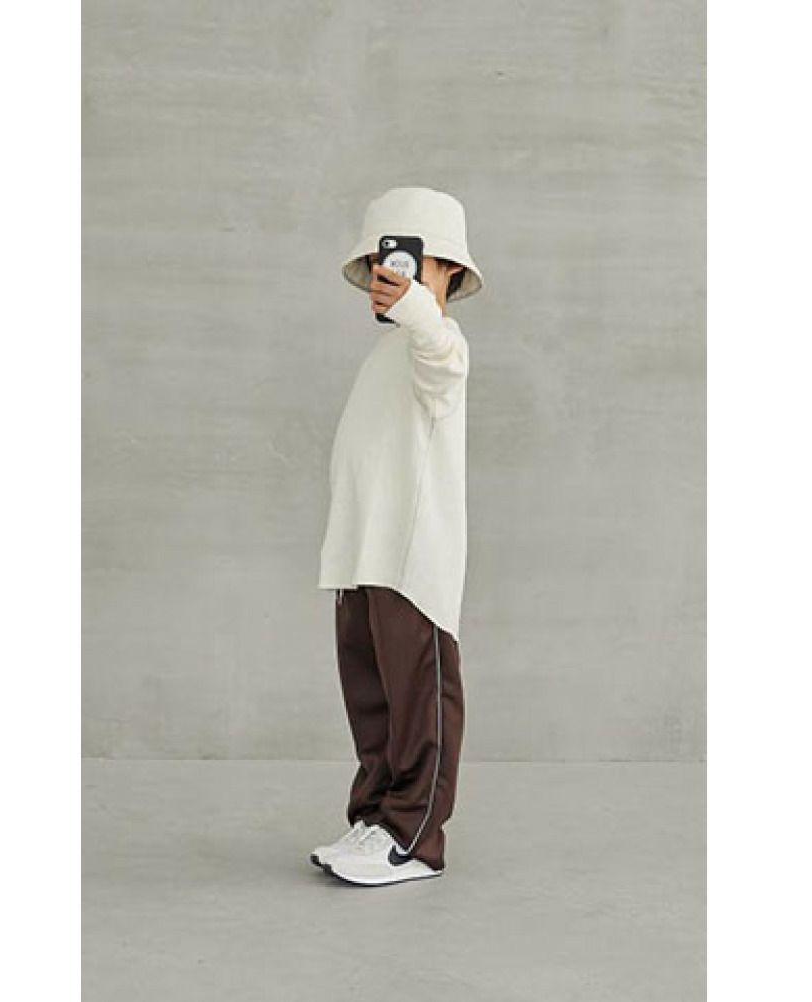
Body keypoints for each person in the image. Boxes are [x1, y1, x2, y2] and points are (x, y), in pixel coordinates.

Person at [313, 186, 484, 885]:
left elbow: (441, 356)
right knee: (372, 694)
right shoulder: (386, 356)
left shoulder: (439, 345)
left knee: (419, 696)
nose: (391, 277)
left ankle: (413, 836)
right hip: (362, 556)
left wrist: (418, 310)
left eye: (410, 262)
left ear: (447, 270)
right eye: (383, 265)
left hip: (412, 561)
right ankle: (375, 818)